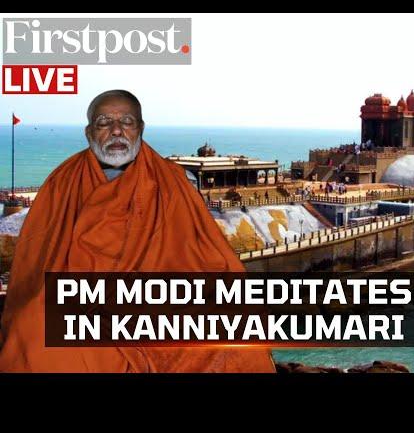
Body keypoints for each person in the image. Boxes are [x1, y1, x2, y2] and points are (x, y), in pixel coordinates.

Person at [0, 90, 274, 373]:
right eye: (104, 122)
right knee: (36, 327)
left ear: (140, 129)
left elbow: (200, 251)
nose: (116, 131)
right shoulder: (63, 181)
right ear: (88, 132)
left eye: (127, 122)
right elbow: (40, 255)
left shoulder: (170, 180)